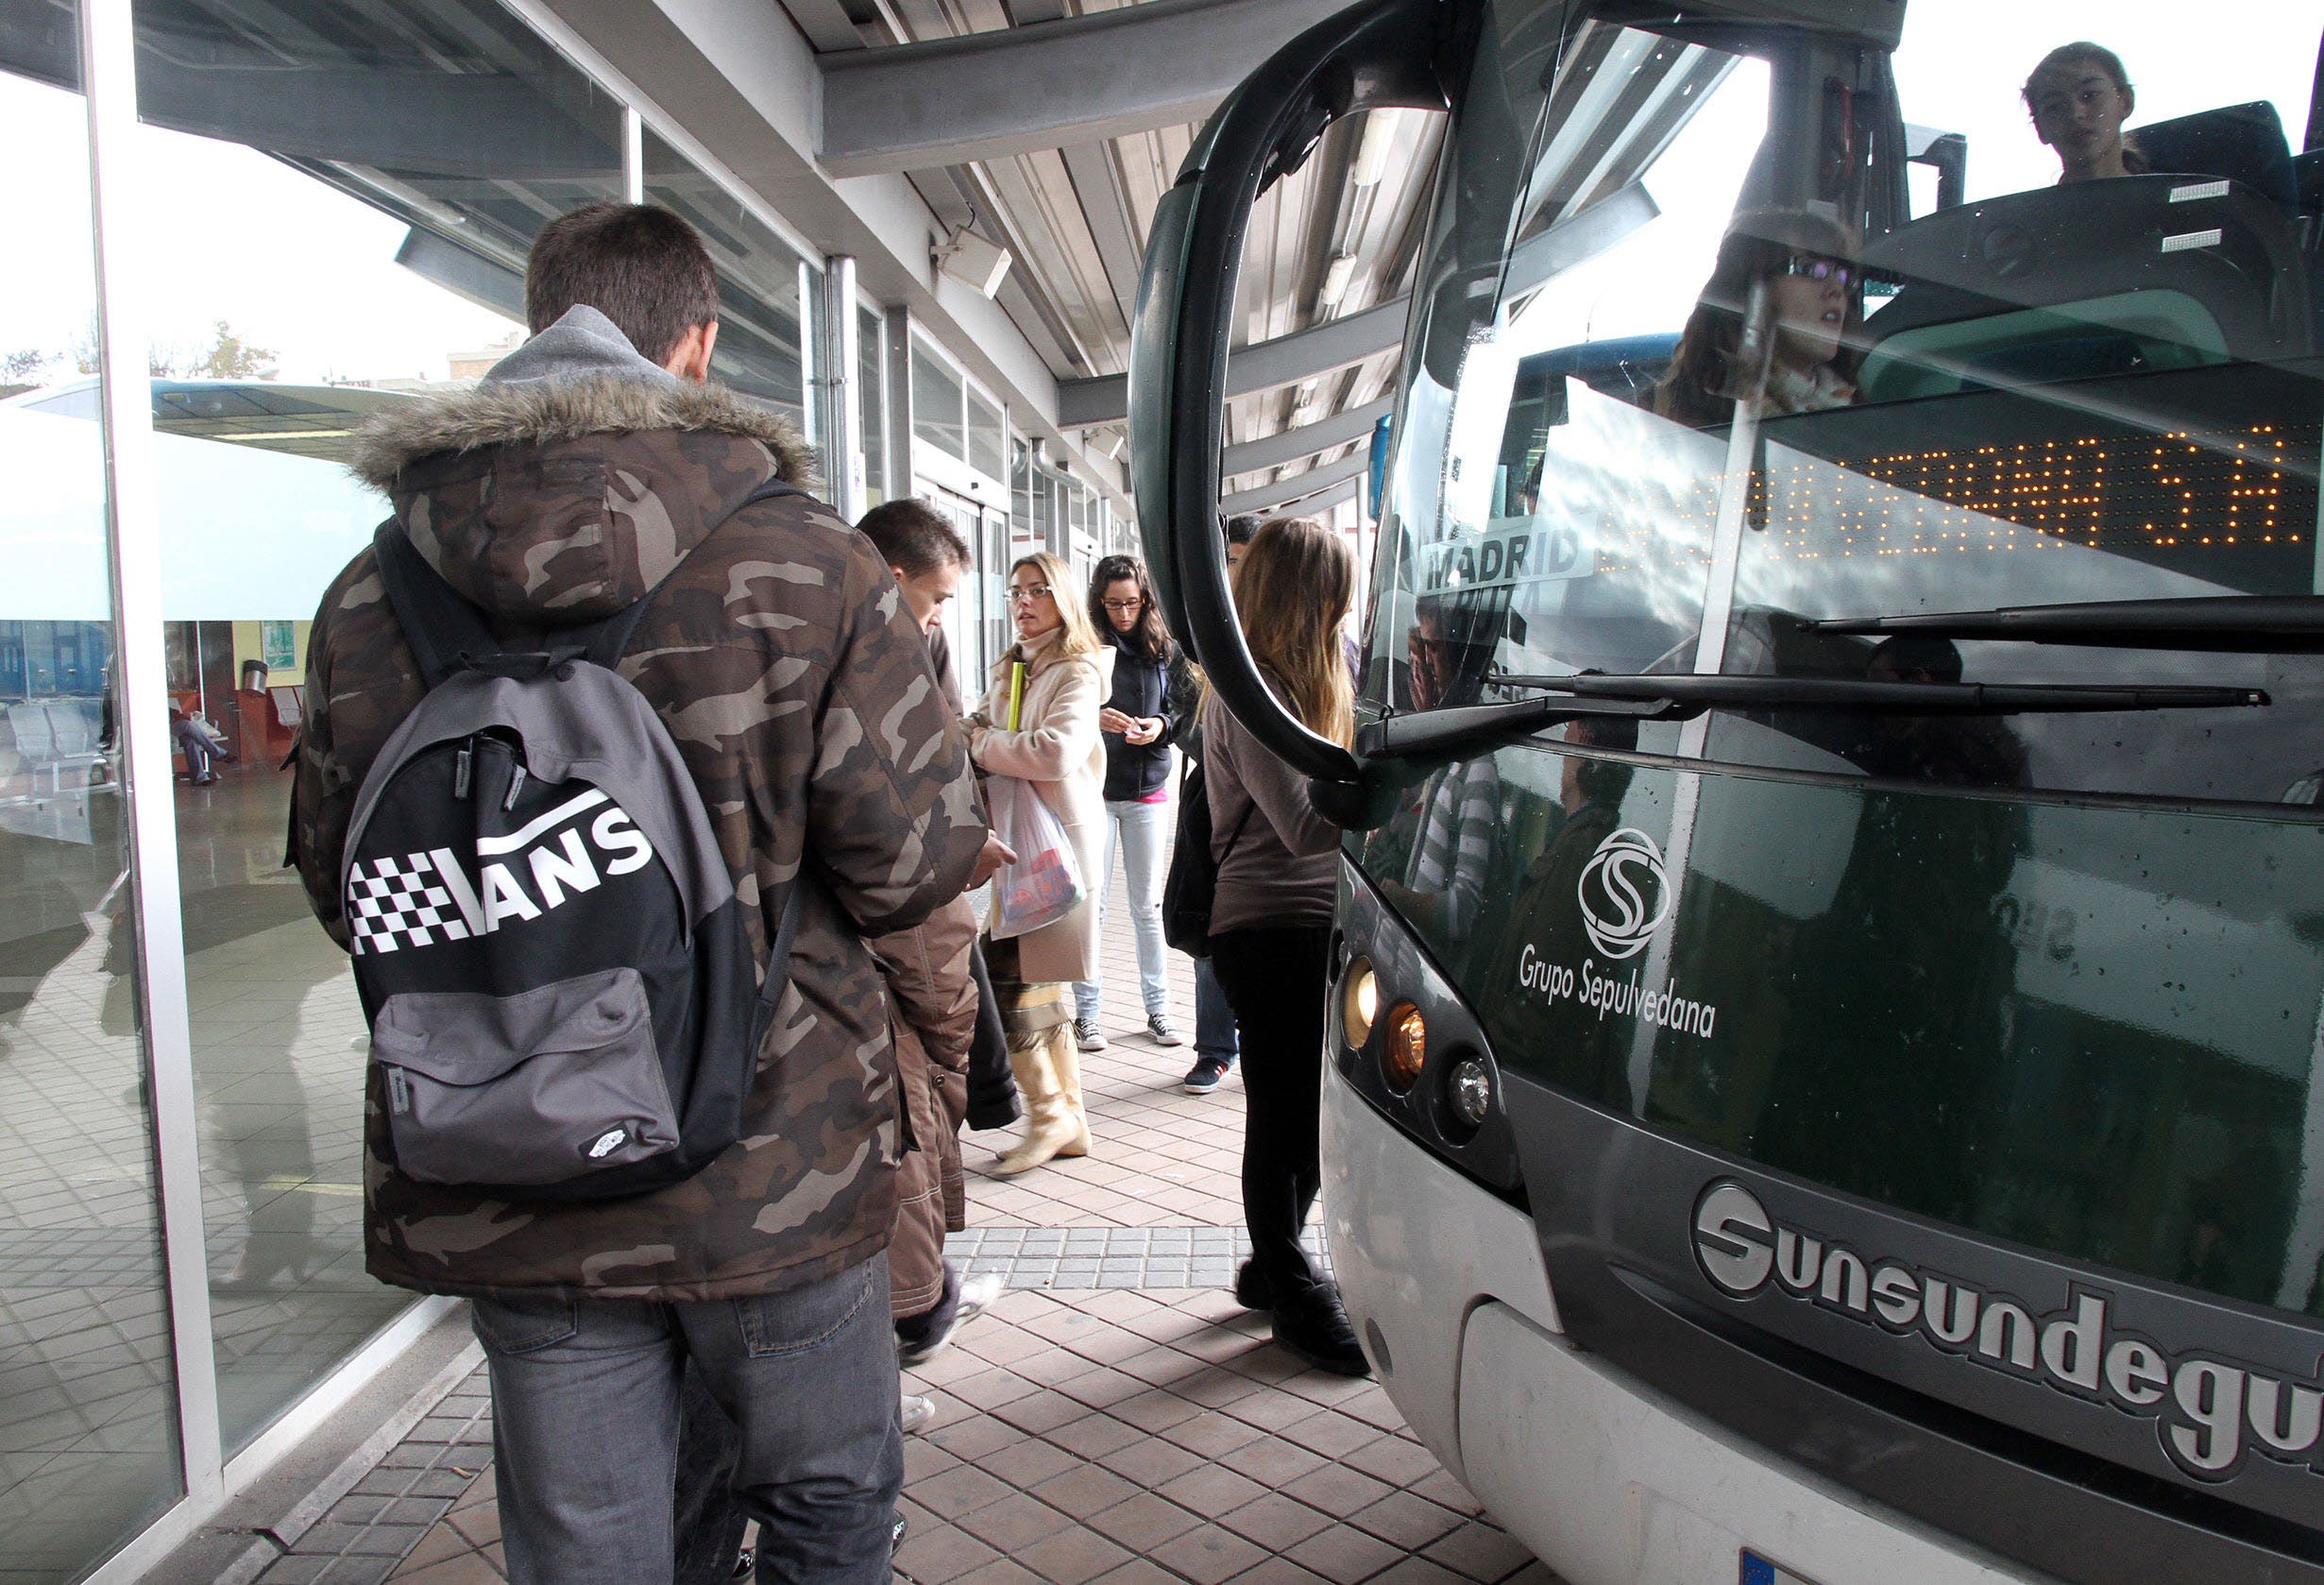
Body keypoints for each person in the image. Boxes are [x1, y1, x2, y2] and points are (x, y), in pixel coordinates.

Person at [291, 200, 991, 1585]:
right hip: (771, 1157)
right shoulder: (806, 564)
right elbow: (915, 860)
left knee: (590, 1543)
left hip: (513, 1159)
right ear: (698, 343)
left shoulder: (372, 592)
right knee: (824, 1503)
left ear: (537, 324)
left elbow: (348, 879)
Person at [1202, 516, 1369, 1376]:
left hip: (1318, 924)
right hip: (1266, 926)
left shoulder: (1325, 674)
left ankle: (1275, 1265)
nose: (1345, 607)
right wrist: (1396, 801)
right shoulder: (1248, 690)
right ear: (1306, 596)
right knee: (1286, 1110)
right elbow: (1304, 828)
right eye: (1335, 591)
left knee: (1308, 1110)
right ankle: (1292, 1287)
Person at [852, 500, 1009, 1409]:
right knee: (902, 1135)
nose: (942, 617)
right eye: (937, 597)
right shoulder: (873, 677)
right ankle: (906, 1324)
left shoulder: (883, 657)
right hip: (883, 968)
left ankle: (915, 1310)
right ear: (891, 574)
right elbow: (926, 939)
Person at [967, 551, 1113, 1176]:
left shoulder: (1078, 670)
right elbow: (980, 722)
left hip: (1057, 850)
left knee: (1006, 978)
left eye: (1038, 591)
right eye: (1015, 591)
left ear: (1064, 600)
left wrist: (978, 744)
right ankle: (1067, 1119)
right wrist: (974, 733)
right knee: (1039, 983)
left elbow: (1054, 753)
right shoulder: (1014, 664)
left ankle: (1049, 1114)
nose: (1023, 602)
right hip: (1017, 844)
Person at [1072, 554, 1194, 1053]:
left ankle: (1158, 1010)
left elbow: (1181, 710)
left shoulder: (1164, 648)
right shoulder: (1083, 646)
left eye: (1132, 603)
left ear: (1146, 600)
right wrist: (1092, 716)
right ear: (1099, 602)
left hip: (1148, 788)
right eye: (1113, 604)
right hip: (1095, 790)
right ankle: (1086, 1015)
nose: (1124, 613)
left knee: (1147, 906)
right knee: (1092, 907)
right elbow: (1061, 706)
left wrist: (1160, 728)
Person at [1654, 209, 1862, 431]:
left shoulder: (1863, 408)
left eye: (1843, 275)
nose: (1836, 289)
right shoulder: (1693, 420)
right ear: (1749, 291)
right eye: (1809, 269)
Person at [2024, 43, 2144, 185]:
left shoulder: (2170, 198)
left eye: (2090, 95)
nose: (2075, 114)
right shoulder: (2031, 208)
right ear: (2039, 128)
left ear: (2125, 102)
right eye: (2054, 106)